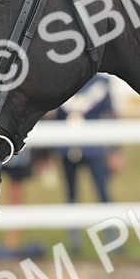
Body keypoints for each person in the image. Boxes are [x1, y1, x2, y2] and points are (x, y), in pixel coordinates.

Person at [40, 73, 124, 252]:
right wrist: (46, 154)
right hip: (67, 149)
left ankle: (112, 240)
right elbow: (53, 118)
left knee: (103, 194)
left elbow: (111, 115)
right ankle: (74, 242)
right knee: (71, 195)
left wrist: (115, 151)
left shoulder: (101, 84)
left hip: (94, 149)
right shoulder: (61, 81)